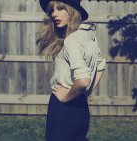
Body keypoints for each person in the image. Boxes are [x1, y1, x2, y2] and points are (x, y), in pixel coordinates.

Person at [37, 0, 106, 140]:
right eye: (52, 10)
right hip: (81, 108)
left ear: (72, 10)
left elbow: (83, 80)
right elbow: (101, 65)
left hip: (63, 109)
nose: (55, 14)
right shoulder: (88, 35)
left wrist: (65, 97)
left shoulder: (71, 40)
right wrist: (86, 93)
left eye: (61, 8)